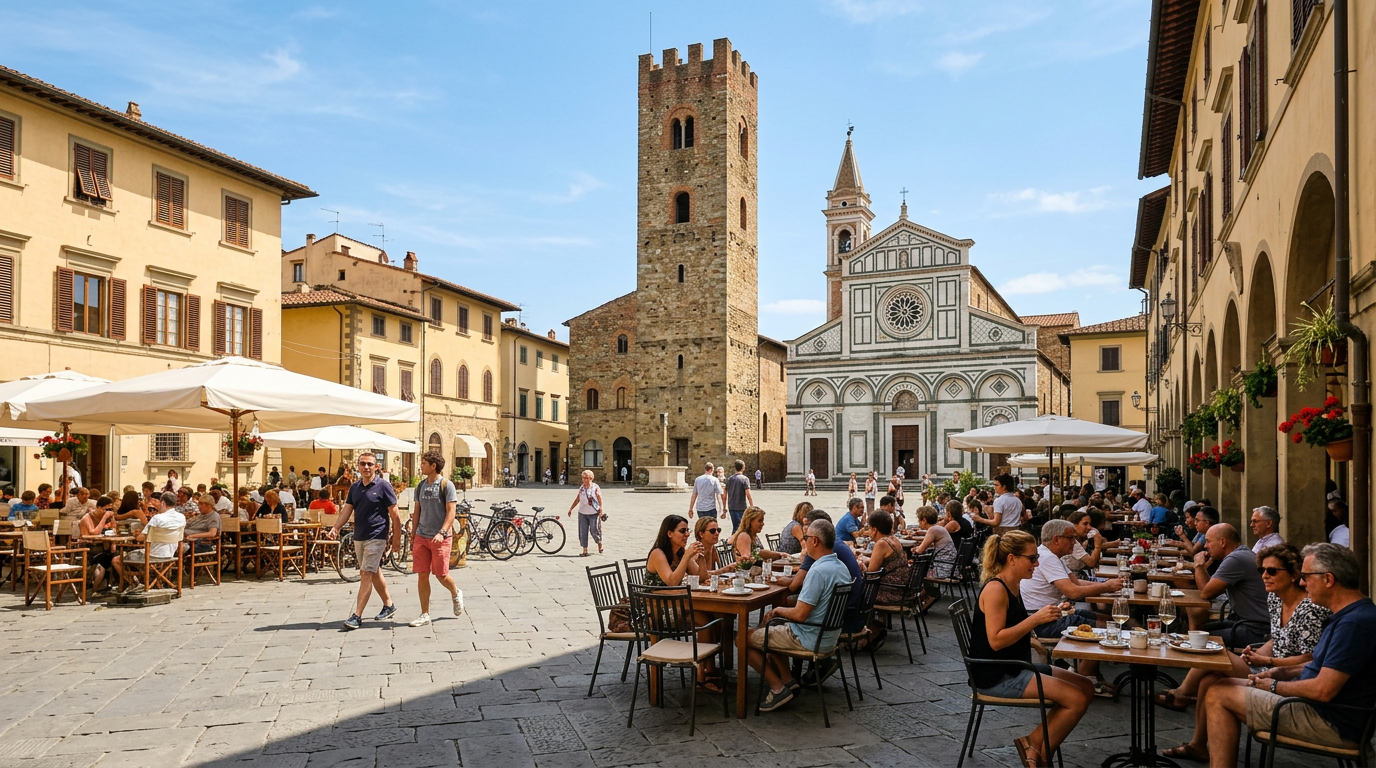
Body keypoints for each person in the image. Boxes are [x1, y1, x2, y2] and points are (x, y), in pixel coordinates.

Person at [1200, 543, 1376, 765]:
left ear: (1328, 580)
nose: (1302, 582)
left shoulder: (1354, 624)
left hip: (1329, 721)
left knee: (1219, 693)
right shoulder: (1350, 615)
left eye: (1306, 576)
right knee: (1218, 684)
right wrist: (1280, 672)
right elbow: (1323, 665)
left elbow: (1323, 690)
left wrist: (1273, 686)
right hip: (1319, 709)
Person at [1158, 544, 1331, 760]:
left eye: (1272, 571)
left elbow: (1310, 658)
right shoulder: (1275, 598)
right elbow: (1276, 638)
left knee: (1210, 652)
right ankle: (1198, 744)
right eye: (1262, 571)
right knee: (1208, 679)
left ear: (1295, 574)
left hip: (1290, 677)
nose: (1265, 576)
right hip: (1268, 665)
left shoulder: (1310, 609)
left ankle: (1181, 695)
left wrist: (1267, 659)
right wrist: (1255, 653)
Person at [972, 530, 1093, 767]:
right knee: (1076, 699)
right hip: (997, 674)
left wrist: (1039, 625)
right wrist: (1035, 620)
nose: (1037, 563)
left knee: (1086, 686)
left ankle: (1035, 743)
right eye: (1032, 558)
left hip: (1015, 666)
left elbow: (1012, 626)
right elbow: (995, 640)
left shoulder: (1013, 585)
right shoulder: (996, 589)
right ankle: (1038, 751)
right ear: (1011, 559)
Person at [747, 518, 853, 712]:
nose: (803, 541)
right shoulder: (840, 567)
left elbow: (800, 615)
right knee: (772, 631)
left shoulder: (818, 571)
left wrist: (777, 610)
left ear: (815, 541)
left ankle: (777, 688)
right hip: (828, 636)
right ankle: (788, 681)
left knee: (743, 638)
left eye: (806, 537)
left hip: (808, 637)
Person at [1020, 519, 1124, 694]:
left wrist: (1107, 584)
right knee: (1106, 630)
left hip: (1053, 613)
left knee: (1108, 621)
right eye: (1071, 538)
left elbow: (1076, 582)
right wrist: (1106, 587)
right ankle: (1084, 677)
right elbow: (1073, 592)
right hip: (1041, 621)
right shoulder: (1047, 558)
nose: (1074, 542)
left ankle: (1091, 674)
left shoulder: (1052, 556)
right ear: (1056, 539)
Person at [327, 453, 402, 630]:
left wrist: (396, 540)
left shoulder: (384, 486)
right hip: (359, 536)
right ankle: (388, 604)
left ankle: (357, 615)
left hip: (377, 536)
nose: (366, 467)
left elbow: (395, 515)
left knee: (365, 574)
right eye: (363, 464)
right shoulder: (355, 488)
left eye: (370, 464)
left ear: (376, 467)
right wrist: (336, 528)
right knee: (373, 571)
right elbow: (347, 510)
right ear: (358, 466)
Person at [1189, 523, 1271, 647]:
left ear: (1222, 542)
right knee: (1198, 631)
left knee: (1198, 639)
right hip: (1245, 622)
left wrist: (1199, 565)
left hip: (1257, 630)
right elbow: (1209, 587)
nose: (1205, 546)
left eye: (1208, 541)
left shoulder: (1236, 559)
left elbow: (1206, 594)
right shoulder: (1240, 554)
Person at [407, 452, 463, 627]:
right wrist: (413, 534)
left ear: (433, 466)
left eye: (424, 463)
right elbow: (417, 511)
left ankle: (455, 592)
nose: (421, 466)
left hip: (440, 537)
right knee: (422, 575)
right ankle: (424, 614)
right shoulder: (420, 486)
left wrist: (443, 532)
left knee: (441, 574)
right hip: (421, 536)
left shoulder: (447, 485)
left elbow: (451, 512)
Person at [112, 492, 185, 594]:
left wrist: (137, 534)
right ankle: (148, 583)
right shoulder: (181, 517)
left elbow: (141, 539)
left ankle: (134, 584)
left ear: (163, 503)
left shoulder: (157, 518)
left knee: (116, 560)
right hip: (170, 554)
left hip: (151, 555)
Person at [868, 510, 911, 619]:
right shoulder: (894, 540)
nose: (868, 532)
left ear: (874, 529)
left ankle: (870, 627)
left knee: (858, 590)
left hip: (892, 592)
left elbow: (870, 573)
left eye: (869, 528)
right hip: (902, 588)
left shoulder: (882, 543)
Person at [79, 497, 116, 592]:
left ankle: (121, 585)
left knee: (119, 557)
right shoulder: (87, 517)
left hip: (104, 546)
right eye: (105, 509)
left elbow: (114, 530)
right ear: (98, 507)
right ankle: (95, 589)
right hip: (90, 547)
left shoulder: (109, 518)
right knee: (102, 562)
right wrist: (104, 518)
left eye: (109, 509)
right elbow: (94, 533)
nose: (107, 512)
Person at [566, 469, 604, 556]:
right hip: (582, 513)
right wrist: (571, 509)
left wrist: (601, 509)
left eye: (586, 478)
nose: (584, 480)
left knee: (594, 530)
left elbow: (599, 498)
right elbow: (578, 498)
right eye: (583, 478)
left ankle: (599, 542)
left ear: (591, 478)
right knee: (582, 531)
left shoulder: (595, 487)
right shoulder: (582, 487)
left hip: (593, 513)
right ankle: (585, 550)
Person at [913, 506, 957, 579]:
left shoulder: (932, 530)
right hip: (950, 566)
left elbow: (920, 550)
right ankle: (926, 590)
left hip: (943, 569)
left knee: (916, 572)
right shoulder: (938, 528)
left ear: (924, 520)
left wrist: (914, 549)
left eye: (919, 520)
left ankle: (919, 589)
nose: (919, 522)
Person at [725, 459, 754, 532]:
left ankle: (734, 541)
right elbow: (748, 493)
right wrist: (751, 505)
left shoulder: (729, 479)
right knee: (741, 527)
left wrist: (724, 506)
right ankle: (735, 542)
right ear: (743, 468)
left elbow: (724, 493)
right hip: (741, 507)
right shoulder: (744, 479)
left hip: (731, 506)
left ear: (734, 468)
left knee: (735, 526)